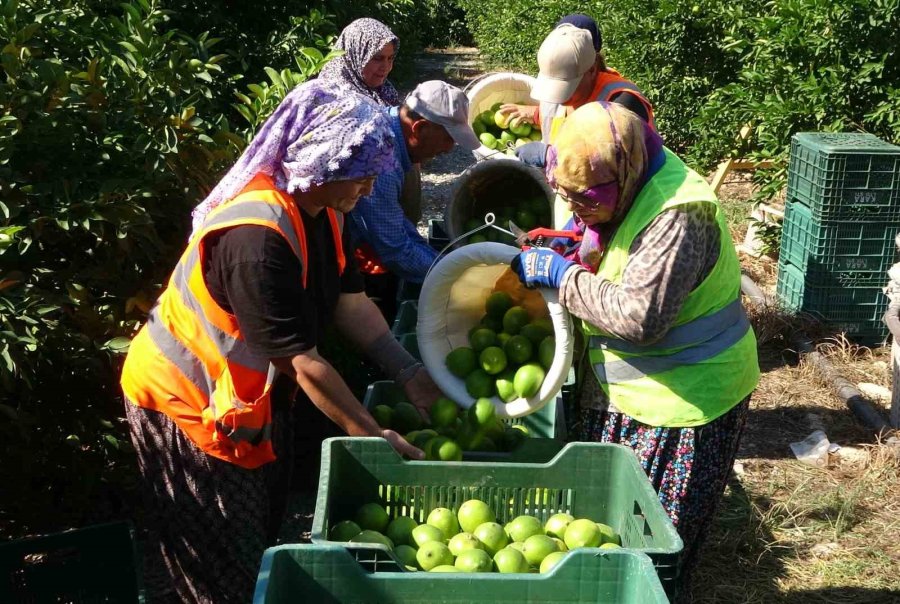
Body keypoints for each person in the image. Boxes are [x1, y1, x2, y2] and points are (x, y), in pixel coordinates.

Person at [121, 81, 440, 604]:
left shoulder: (326, 211)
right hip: (187, 399)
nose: (369, 186)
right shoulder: (256, 239)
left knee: (257, 527)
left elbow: (350, 304)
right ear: (324, 161)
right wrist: (371, 434)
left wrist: (410, 373)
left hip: (246, 398)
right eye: (361, 172)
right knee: (221, 555)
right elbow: (301, 362)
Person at [510, 102, 759, 596]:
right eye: (566, 195)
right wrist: (573, 248)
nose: (576, 208)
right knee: (605, 532)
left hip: (685, 400)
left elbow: (639, 317)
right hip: (634, 393)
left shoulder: (677, 216)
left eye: (585, 199)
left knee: (648, 544)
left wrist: (564, 277)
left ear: (621, 176)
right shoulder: (628, 178)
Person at [348, 80, 479, 315]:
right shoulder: (382, 160)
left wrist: (444, 263)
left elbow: (398, 225)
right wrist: (457, 278)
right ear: (419, 128)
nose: (449, 149)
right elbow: (394, 247)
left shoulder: (390, 128)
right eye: (448, 138)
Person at [505, 16, 654, 169]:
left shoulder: (622, 104)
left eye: (566, 85)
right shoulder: (561, 92)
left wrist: (552, 158)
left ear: (592, 70)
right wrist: (536, 114)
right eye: (553, 85)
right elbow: (557, 117)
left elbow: (623, 169)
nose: (559, 98)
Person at [318, 17, 426, 227]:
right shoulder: (336, 98)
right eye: (377, 58)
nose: (385, 67)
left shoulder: (383, 92)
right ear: (356, 54)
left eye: (390, 58)